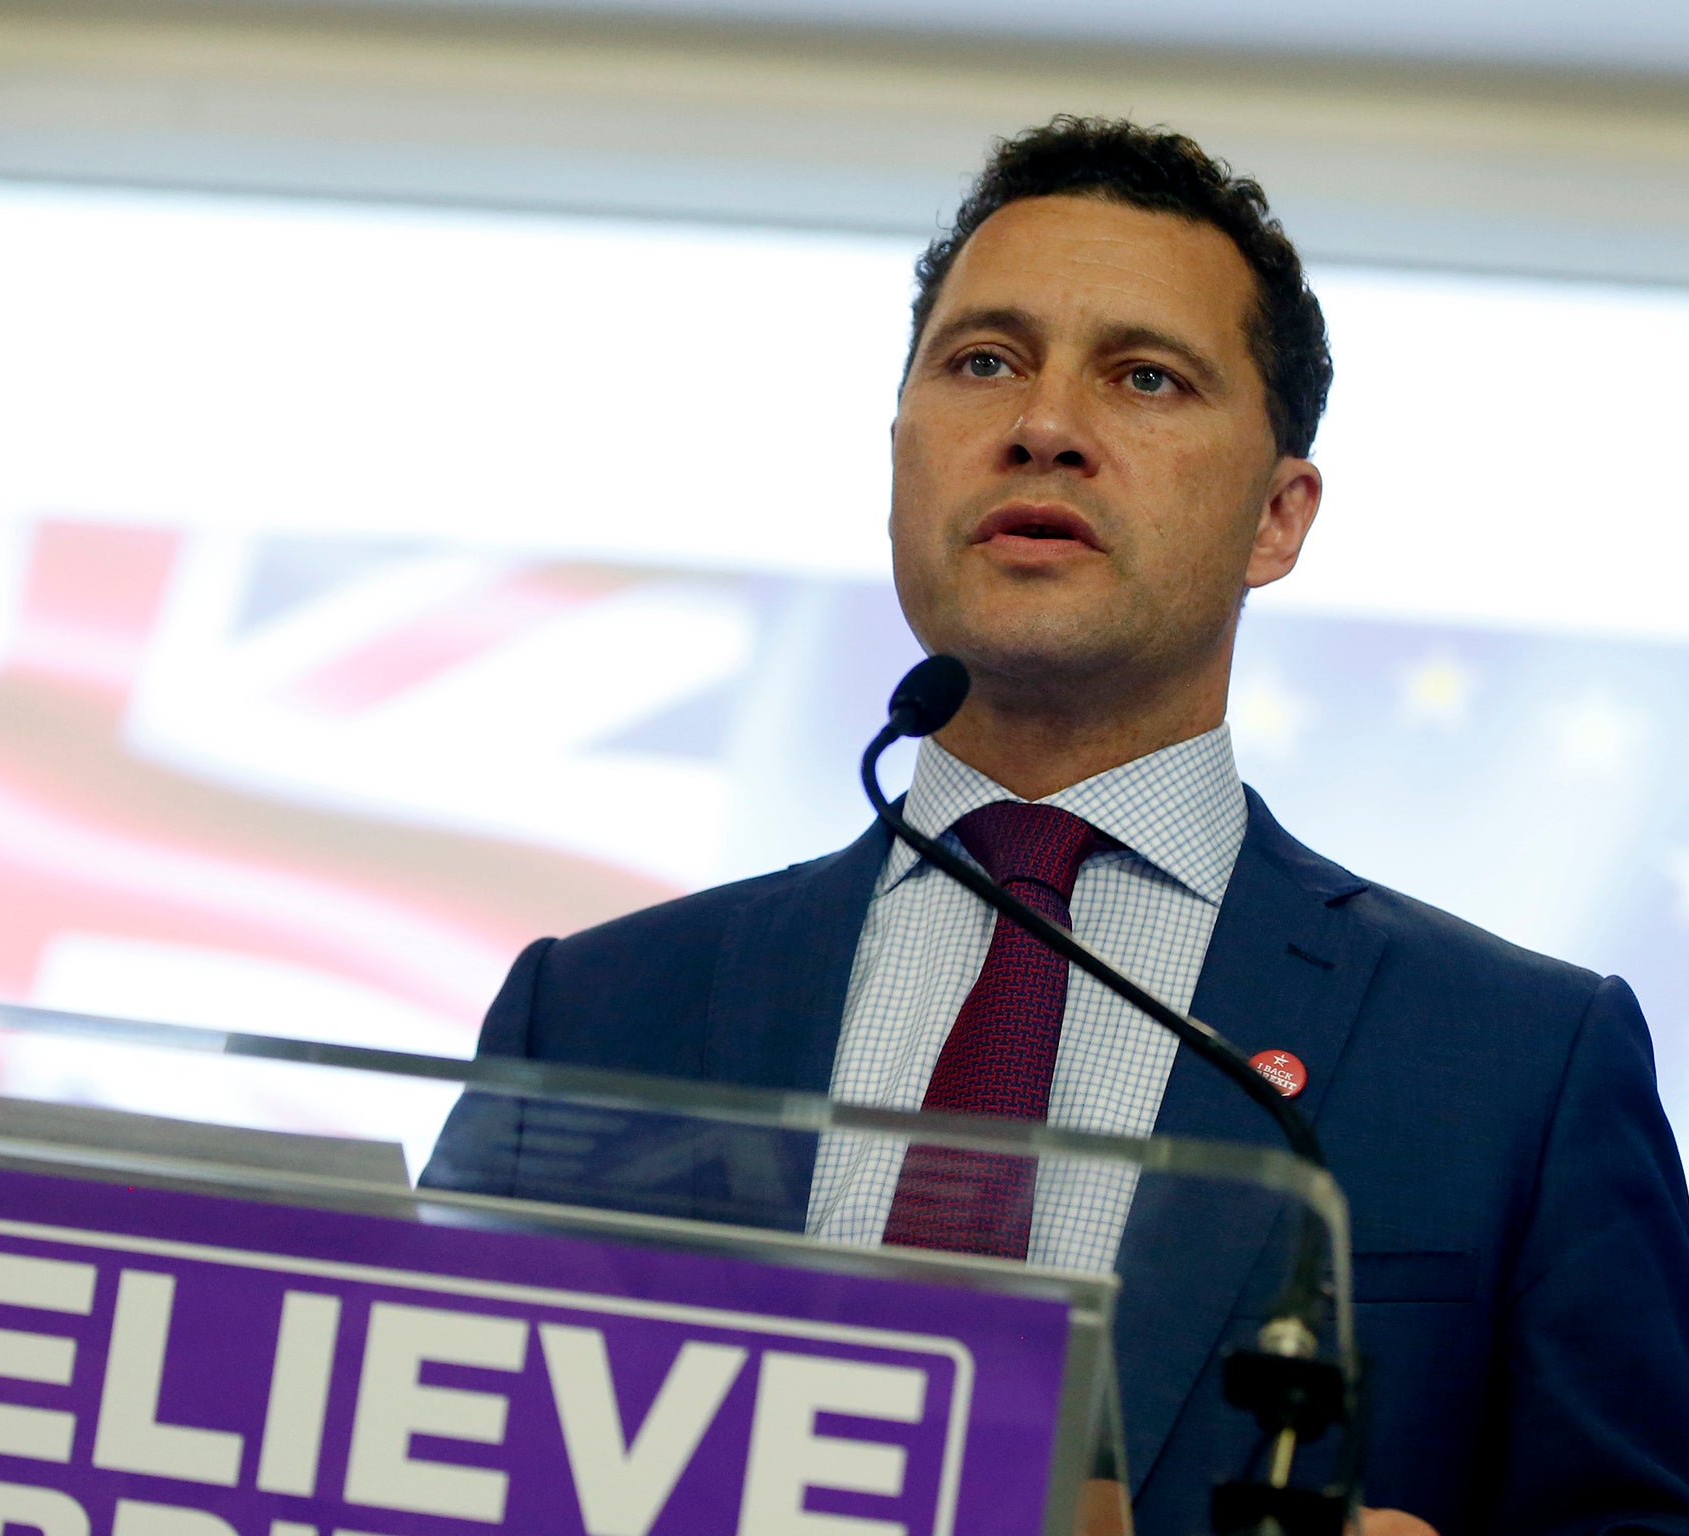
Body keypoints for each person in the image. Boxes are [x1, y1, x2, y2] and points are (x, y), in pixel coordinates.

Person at [424, 117, 1689, 1534]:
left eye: (1145, 377)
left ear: (1280, 517)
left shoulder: (1522, 1067)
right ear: (902, 453)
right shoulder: (596, 1017)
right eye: (983, 363)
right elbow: (405, 1475)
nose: (1043, 425)